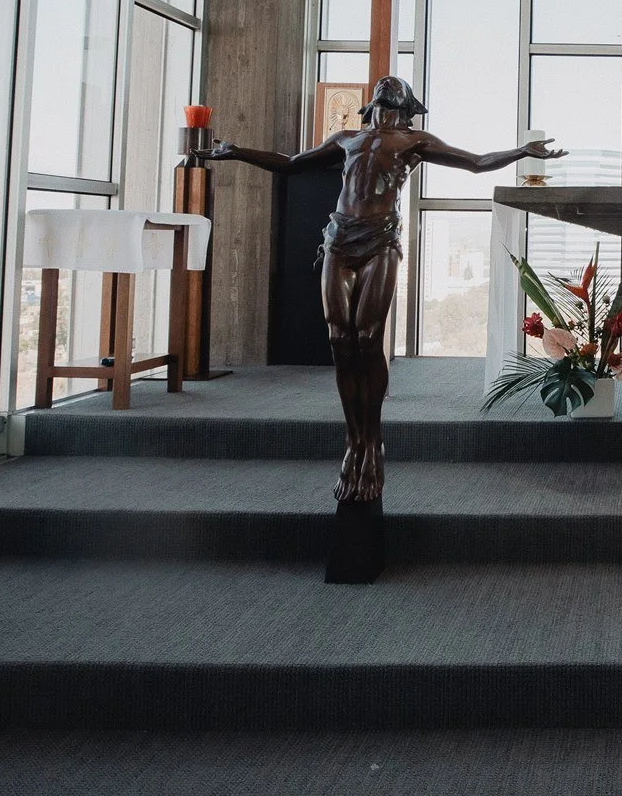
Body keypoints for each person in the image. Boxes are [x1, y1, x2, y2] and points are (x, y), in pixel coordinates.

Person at [206, 76, 564, 502]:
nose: (388, 84)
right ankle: (353, 440)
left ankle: (373, 441)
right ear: (372, 102)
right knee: (340, 339)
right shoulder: (346, 139)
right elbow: (292, 163)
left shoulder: (414, 141)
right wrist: (237, 151)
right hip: (340, 238)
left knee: (367, 336)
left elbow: (475, 161)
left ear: (408, 105)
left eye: (395, 87)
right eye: (383, 86)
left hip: (380, 240)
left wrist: (521, 151)